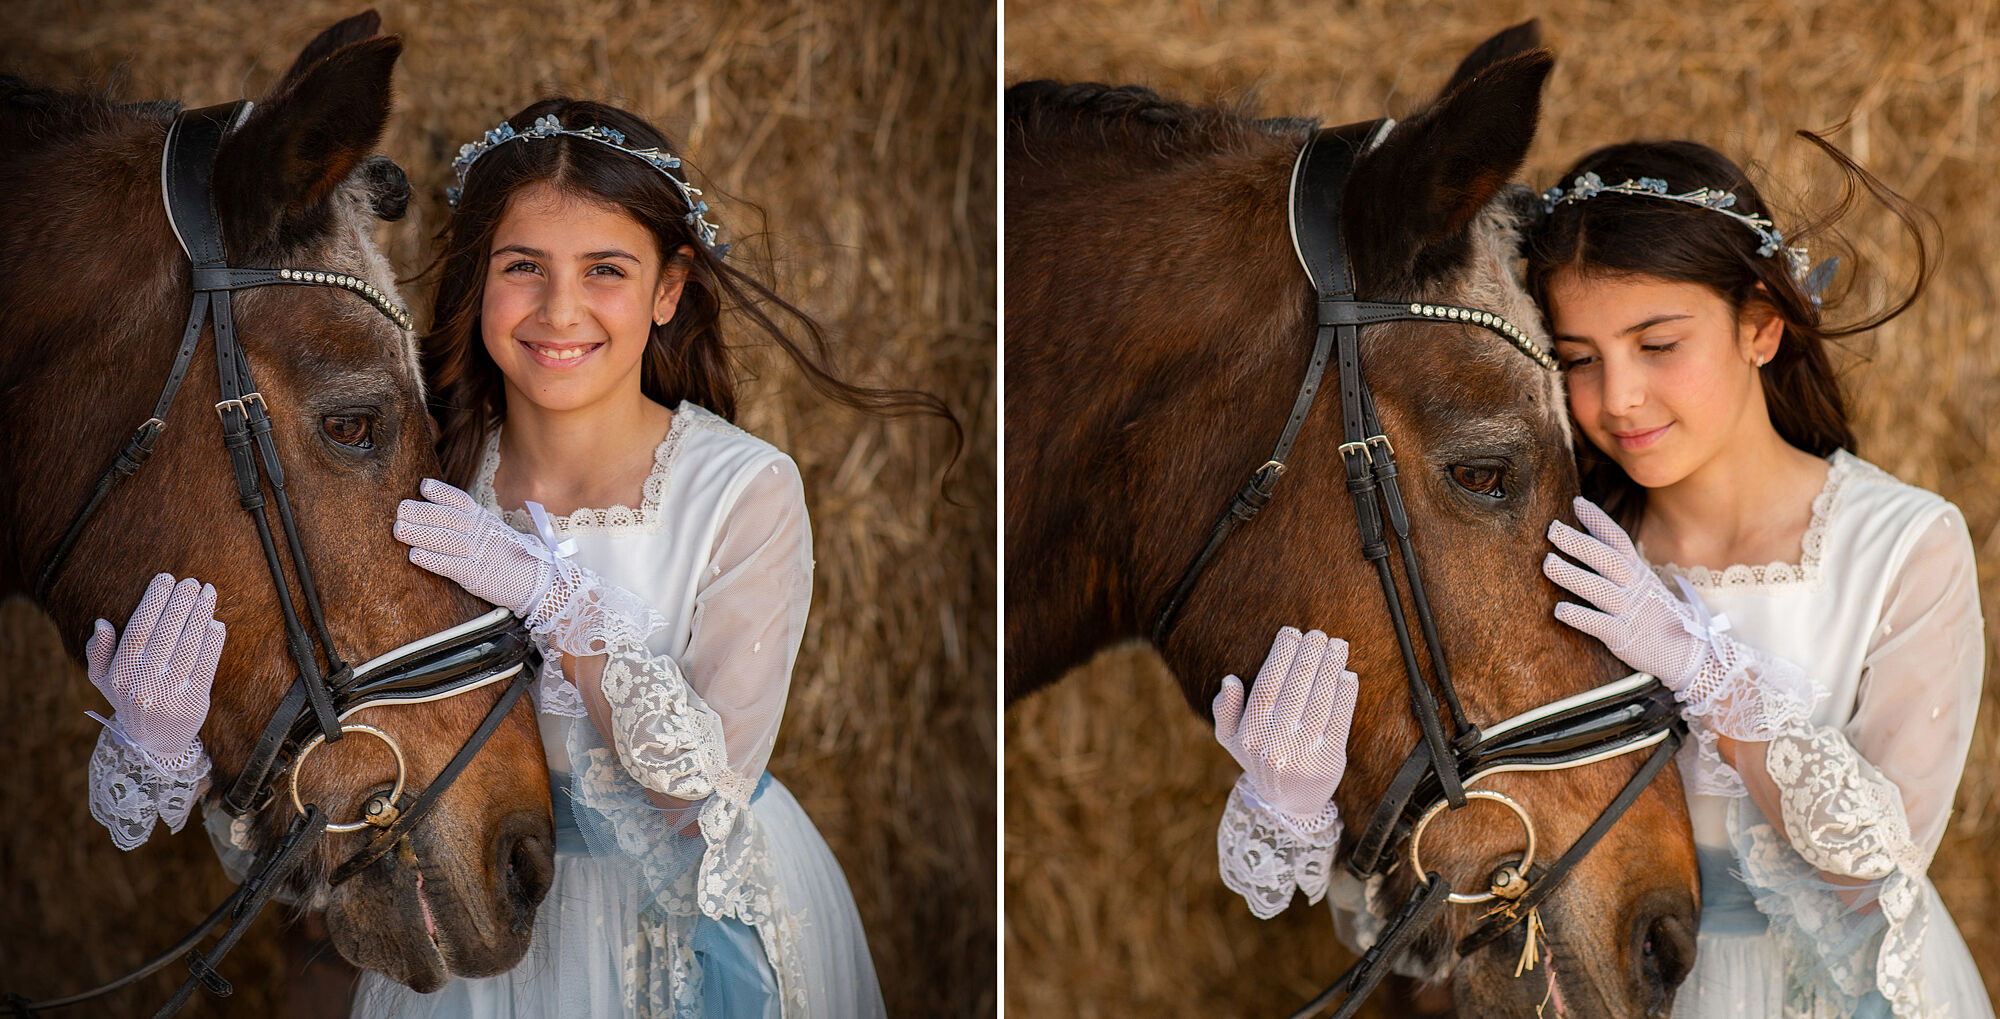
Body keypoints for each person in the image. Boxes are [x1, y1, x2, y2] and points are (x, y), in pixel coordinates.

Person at [84, 96, 939, 1019]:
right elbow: (344, 770)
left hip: (681, 932)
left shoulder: (744, 491)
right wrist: (183, 751)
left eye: (605, 269)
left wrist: (555, 602)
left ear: (669, 289)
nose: (560, 309)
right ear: (478, 278)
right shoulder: (420, 477)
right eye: (523, 265)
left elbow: (704, 799)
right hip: (461, 900)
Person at [1207, 138, 1990, 1019]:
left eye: (1658, 343)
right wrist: (1308, 812)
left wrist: (1704, 671)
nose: (1617, 396)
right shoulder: (1550, 550)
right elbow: (1459, 887)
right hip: (1599, 987)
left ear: (1761, 326)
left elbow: (1878, 872)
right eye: (1580, 358)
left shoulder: (1903, 545)